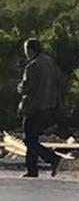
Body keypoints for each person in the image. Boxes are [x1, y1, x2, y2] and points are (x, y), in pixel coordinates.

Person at [17, 38, 64, 178]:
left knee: (28, 139)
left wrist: (19, 87)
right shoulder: (50, 63)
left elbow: (26, 88)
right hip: (48, 105)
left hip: (33, 106)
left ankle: (52, 158)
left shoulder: (32, 67)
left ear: (30, 50)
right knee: (33, 138)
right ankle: (32, 170)